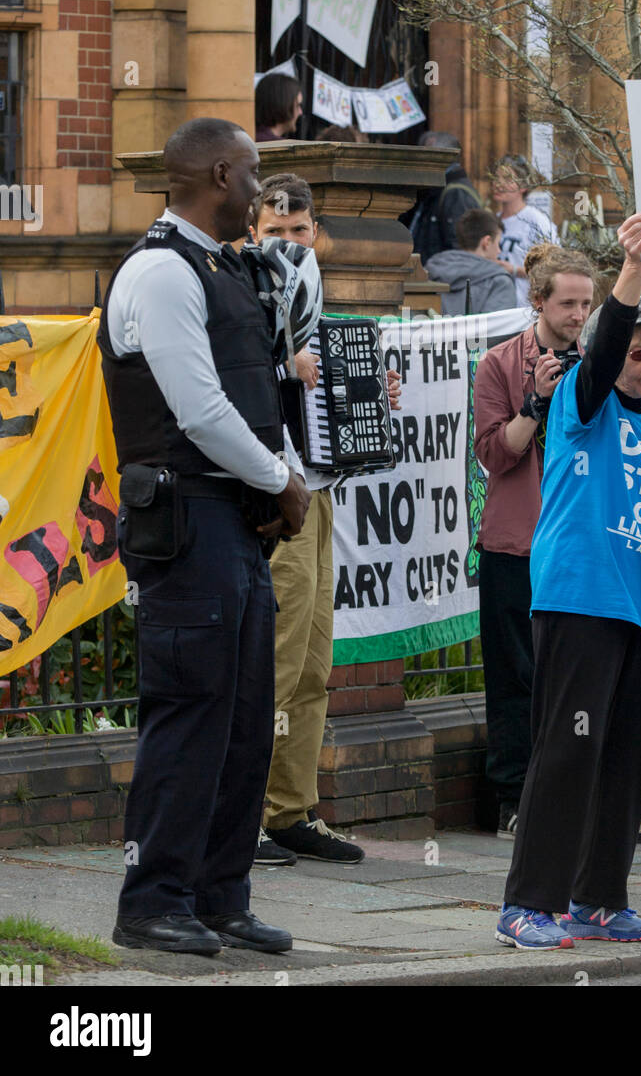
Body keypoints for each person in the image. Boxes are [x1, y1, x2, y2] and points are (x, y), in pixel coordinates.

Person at [97, 117, 311, 956]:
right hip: (186, 524)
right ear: (220, 174)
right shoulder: (159, 270)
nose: (262, 192)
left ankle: (221, 895)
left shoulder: (231, 271)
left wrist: (282, 476)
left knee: (246, 719)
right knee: (189, 715)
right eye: (254, 176)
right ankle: (152, 901)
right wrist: (280, 483)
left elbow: (258, 398)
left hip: (235, 520)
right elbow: (197, 410)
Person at [495, 213, 641, 951]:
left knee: (625, 758)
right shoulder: (578, 398)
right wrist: (631, 271)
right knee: (568, 751)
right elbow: (599, 350)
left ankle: (598, 899)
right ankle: (527, 905)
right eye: (640, 349)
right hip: (580, 600)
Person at [251, 173, 402, 866]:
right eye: (275, 231)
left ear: (317, 234)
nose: (287, 242)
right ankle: (240, 815)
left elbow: (337, 415)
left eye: (298, 231)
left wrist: (374, 395)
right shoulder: (242, 296)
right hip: (270, 501)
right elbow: (221, 381)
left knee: (313, 665)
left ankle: (290, 810)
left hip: (318, 496)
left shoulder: (319, 307)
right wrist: (286, 365)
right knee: (271, 665)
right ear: (254, 232)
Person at [473, 244, 596, 840]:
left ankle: (570, 796)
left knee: (574, 675)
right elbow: (495, 454)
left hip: (580, 543)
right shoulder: (501, 362)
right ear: (539, 301)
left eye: (587, 303)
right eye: (568, 303)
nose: (578, 315)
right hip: (516, 543)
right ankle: (513, 799)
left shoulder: (602, 363)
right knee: (515, 674)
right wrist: (537, 400)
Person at [490, 155, 558, 308]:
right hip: (495, 305)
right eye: (496, 178)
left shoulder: (536, 221)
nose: (499, 184)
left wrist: (513, 269)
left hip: (524, 307)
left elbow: (553, 267)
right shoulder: (493, 221)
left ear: (523, 186)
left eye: (507, 179)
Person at [404, 132, 481, 264]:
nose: (420, 161)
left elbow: (459, 250)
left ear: (443, 156)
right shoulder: (435, 189)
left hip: (440, 278)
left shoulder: (456, 192)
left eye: (425, 155)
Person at [425, 208, 517, 316]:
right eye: (498, 243)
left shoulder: (429, 271)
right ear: (486, 242)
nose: (499, 250)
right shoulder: (499, 282)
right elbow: (498, 330)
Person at [255, 73, 303, 142]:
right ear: (285, 104)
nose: (300, 112)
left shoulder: (249, 138)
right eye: (297, 105)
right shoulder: (282, 148)